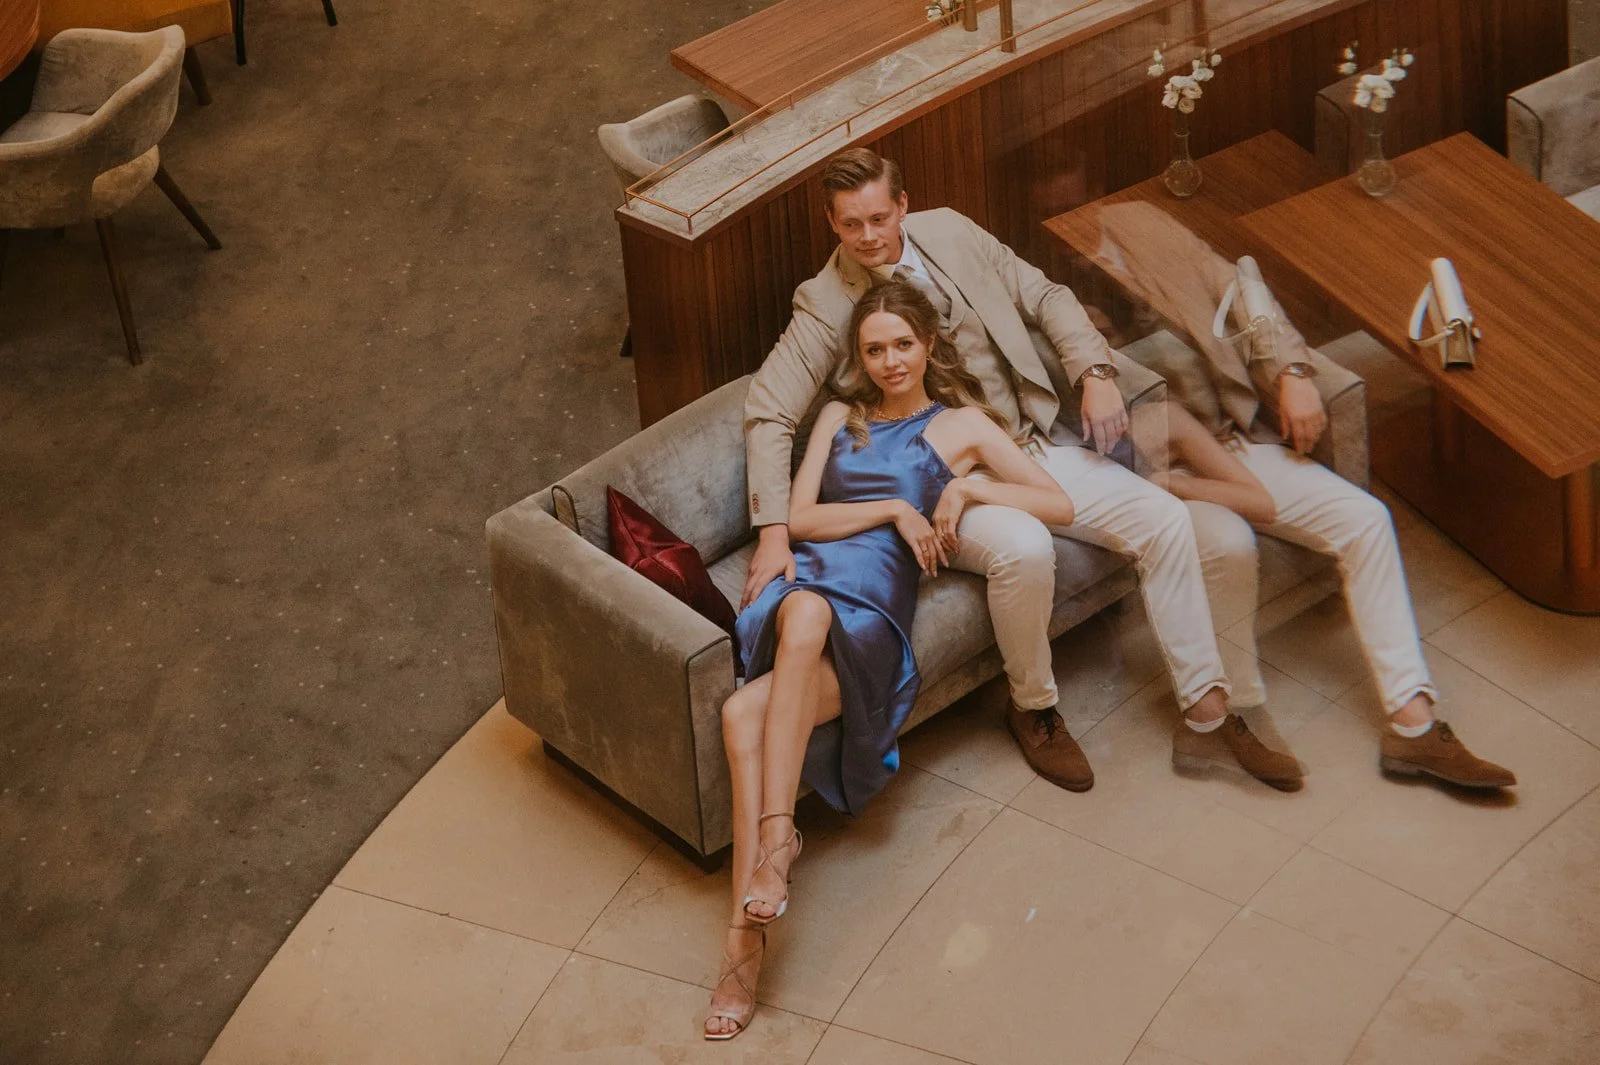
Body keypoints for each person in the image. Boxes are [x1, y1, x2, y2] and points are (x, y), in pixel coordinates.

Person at [743, 147, 1301, 798]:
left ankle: (1207, 710)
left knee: (1164, 516)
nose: (867, 237)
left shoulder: (951, 228)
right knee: (1027, 549)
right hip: (935, 482)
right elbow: (768, 411)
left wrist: (1095, 374)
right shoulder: (822, 302)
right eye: (849, 224)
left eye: (877, 217)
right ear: (831, 224)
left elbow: (1044, 295)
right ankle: (1033, 707)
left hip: (1026, 442)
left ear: (902, 204)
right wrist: (773, 532)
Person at [705, 281, 1078, 1041]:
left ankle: (767, 878)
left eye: (902, 344)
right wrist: (895, 506)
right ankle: (746, 928)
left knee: (776, 662)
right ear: (860, 355)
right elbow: (801, 516)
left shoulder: (962, 425)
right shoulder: (840, 417)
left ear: (929, 345)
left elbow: (1059, 504)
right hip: (812, 581)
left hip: (873, 611)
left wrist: (964, 486)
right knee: (741, 704)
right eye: (874, 348)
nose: (889, 361)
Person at [1091, 201, 1514, 788]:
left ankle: (1413, 729)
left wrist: (1293, 374)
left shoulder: (1141, 223)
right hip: (1160, 478)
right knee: (1232, 542)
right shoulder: (1044, 285)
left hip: (1234, 442)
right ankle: (1238, 720)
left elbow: (1244, 295)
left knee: (1366, 518)